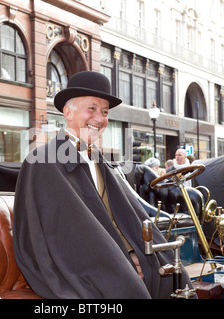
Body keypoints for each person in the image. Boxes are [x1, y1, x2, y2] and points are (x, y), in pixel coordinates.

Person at [13, 71, 194, 299]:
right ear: (68, 112)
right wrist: (123, 259)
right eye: (92, 109)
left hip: (109, 252)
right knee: (127, 288)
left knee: (175, 274)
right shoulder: (43, 160)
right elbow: (65, 233)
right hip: (75, 261)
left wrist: (136, 251)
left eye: (105, 112)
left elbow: (124, 214)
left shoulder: (98, 159)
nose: (99, 119)